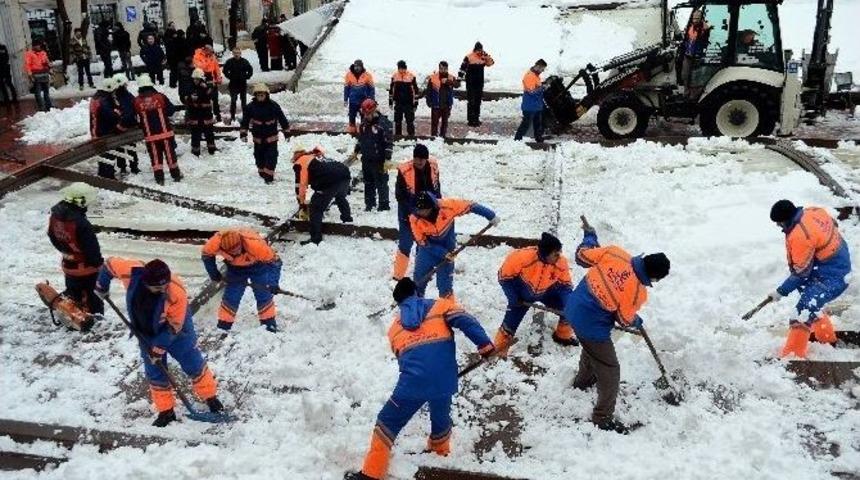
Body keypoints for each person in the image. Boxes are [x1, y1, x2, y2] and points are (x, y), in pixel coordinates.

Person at [347, 278, 495, 480]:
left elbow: (403, 359)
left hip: (413, 384)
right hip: (445, 378)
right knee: (440, 412)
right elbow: (466, 320)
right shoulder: (441, 306)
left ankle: (371, 474)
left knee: (387, 422)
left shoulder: (394, 329)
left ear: (399, 303)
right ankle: (439, 451)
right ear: (417, 292)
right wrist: (485, 346)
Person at [564, 222, 670, 434]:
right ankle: (602, 418)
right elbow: (623, 319)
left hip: (572, 310)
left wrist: (590, 238)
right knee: (610, 369)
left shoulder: (615, 252)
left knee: (592, 350)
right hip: (591, 326)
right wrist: (636, 320)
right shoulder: (637, 292)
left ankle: (582, 382)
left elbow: (582, 256)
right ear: (654, 278)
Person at [94, 257, 224, 427]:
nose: (163, 290)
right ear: (145, 282)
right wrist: (102, 285)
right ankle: (166, 411)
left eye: (165, 285)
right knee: (155, 371)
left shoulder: (176, 293)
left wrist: (158, 348)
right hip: (146, 330)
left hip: (178, 330)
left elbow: (174, 326)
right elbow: (109, 265)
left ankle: (210, 397)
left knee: (192, 361)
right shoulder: (131, 272)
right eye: (158, 288)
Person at [767, 200, 852, 358]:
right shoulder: (813, 211)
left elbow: (801, 273)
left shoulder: (800, 235)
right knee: (810, 298)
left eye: (779, 222)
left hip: (833, 275)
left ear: (785, 219)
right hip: (834, 262)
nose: (778, 226)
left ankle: (792, 356)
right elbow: (833, 224)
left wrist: (781, 291)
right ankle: (826, 338)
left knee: (804, 309)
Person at [494, 233, 578, 355]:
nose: (559, 256)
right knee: (509, 326)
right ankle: (499, 350)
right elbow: (504, 278)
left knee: (569, 309)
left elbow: (565, 286)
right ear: (546, 253)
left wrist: (569, 303)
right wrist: (513, 297)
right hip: (522, 295)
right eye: (556, 254)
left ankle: (562, 336)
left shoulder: (561, 262)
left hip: (547, 292)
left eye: (559, 252)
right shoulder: (521, 257)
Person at [410, 192, 498, 299]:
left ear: (431, 207)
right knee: (419, 280)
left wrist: (490, 215)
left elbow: (470, 206)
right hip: (428, 251)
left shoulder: (447, 207)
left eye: (423, 210)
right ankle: (415, 303)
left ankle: (447, 306)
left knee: (445, 285)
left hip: (448, 250)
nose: (421, 213)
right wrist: (442, 253)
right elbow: (422, 242)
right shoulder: (414, 218)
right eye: (418, 210)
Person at [201, 228, 282, 332]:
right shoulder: (214, 243)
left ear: (240, 242)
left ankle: (269, 324)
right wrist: (214, 274)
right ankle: (223, 326)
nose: (235, 252)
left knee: (263, 293)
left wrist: (273, 283)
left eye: (236, 249)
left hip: (258, 265)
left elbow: (275, 262)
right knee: (231, 296)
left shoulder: (256, 245)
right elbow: (206, 256)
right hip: (235, 269)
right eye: (231, 251)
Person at [47, 182, 104, 330]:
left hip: (68, 264)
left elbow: (52, 236)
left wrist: (66, 251)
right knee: (92, 296)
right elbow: (92, 249)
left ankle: (72, 316)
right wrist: (99, 264)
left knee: (74, 293)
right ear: (80, 202)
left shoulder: (55, 216)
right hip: (86, 268)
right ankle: (94, 323)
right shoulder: (81, 224)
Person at [392, 144, 439, 280]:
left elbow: (437, 188)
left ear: (426, 159)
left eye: (421, 159)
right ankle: (398, 275)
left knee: (423, 243)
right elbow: (400, 196)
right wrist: (415, 211)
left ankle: (421, 272)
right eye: (416, 159)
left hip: (427, 213)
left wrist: (436, 207)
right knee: (405, 243)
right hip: (407, 212)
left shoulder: (433, 167)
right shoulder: (404, 170)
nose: (418, 162)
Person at [292, 145, 353, 245]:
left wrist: (302, 203)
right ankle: (347, 220)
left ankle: (315, 239)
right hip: (344, 174)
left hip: (329, 180)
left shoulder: (300, 163)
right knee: (340, 197)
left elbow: (301, 185)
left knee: (315, 208)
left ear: (296, 157)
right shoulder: (314, 156)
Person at [133, 74, 181, 185]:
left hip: (150, 137)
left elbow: (134, 117)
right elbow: (171, 111)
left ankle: (159, 179)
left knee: (155, 158)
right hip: (165, 134)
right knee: (170, 155)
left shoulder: (137, 101)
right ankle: (176, 176)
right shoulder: (160, 97)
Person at [240, 83, 290, 183]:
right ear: (255, 96)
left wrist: (287, 132)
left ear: (266, 95)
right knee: (259, 157)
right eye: (258, 95)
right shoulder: (250, 107)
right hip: (258, 139)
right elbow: (245, 121)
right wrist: (243, 134)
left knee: (271, 157)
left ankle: (269, 176)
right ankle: (262, 172)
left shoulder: (273, 106)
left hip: (271, 138)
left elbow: (282, 119)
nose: (260, 97)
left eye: (262, 95)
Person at [354, 99, 392, 212]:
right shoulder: (363, 124)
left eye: (368, 114)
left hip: (379, 159)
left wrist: (387, 157)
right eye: (365, 114)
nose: (366, 116)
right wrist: (357, 148)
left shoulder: (383, 124)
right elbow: (361, 138)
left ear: (374, 111)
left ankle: (384, 204)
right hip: (366, 158)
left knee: (381, 182)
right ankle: (369, 203)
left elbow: (389, 142)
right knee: (368, 182)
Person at [183, 68, 217, 156]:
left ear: (201, 79)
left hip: (206, 115)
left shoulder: (207, 87)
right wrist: (191, 98)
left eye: (197, 79)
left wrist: (205, 89)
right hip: (195, 115)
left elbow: (211, 95)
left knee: (209, 134)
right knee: (195, 135)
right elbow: (185, 98)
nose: (195, 81)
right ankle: (196, 152)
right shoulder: (190, 87)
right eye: (194, 79)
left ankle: (212, 150)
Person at [459, 42, 494, 127]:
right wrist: (459, 77)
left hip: (479, 83)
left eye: (481, 50)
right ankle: (471, 120)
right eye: (478, 50)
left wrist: (486, 56)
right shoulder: (469, 57)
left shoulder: (483, 57)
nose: (480, 51)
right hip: (470, 83)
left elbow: (491, 63)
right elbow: (463, 68)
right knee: (471, 101)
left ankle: (476, 119)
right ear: (475, 49)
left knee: (478, 101)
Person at [112, 74, 141, 174]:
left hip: (118, 127)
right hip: (129, 126)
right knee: (131, 148)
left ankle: (123, 167)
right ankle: (134, 167)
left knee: (119, 147)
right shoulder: (127, 96)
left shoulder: (114, 97)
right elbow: (133, 109)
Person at [514, 59, 547, 143]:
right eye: (542, 69)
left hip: (536, 105)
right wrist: (542, 87)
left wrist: (543, 85)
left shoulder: (535, 75)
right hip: (530, 106)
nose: (542, 71)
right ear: (538, 66)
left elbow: (536, 86)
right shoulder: (529, 76)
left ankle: (538, 138)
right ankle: (517, 139)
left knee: (537, 124)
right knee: (526, 124)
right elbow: (531, 92)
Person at [680, 9, 711, 97]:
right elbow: (686, 39)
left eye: (697, 18)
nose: (695, 20)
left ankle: (694, 96)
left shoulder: (705, 28)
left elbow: (706, 39)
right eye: (694, 18)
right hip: (688, 55)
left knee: (696, 77)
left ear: (701, 19)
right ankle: (686, 92)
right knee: (685, 75)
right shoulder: (689, 27)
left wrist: (706, 29)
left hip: (698, 56)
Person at [425, 61, 460, 138]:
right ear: (439, 68)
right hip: (436, 104)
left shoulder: (451, 77)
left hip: (446, 105)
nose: (443, 70)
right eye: (441, 68)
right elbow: (428, 91)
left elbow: (457, 84)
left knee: (445, 122)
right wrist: (428, 101)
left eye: (445, 69)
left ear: (447, 69)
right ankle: (433, 137)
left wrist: (448, 81)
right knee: (434, 122)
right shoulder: (433, 78)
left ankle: (443, 136)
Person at [388, 60, 419, 136]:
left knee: (410, 121)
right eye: (400, 68)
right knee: (397, 121)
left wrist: (416, 103)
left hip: (409, 103)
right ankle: (398, 137)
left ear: (405, 68)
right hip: (398, 103)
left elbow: (416, 91)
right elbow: (391, 90)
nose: (401, 70)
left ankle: (411, 136)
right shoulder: (395, 76)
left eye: (403, 68)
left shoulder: (411, 76)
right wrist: (390, 102)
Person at [192, 44, 223, 122]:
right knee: (204, 99)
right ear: (205, 50)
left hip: (212, 80)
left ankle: (217, 115)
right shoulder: (197, 55)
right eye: (210, 52)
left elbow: (216, 67)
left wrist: (219, 78)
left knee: (215, 98)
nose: (212, 53)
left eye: (212, 52)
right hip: (202, 80)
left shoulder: (212, 56)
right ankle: (203, 117)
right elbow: (201, 67)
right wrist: (208, 60)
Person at [343, 59, 374, 133]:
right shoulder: (348, 75)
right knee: (352, 117)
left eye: (358, 66)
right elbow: (346, 88)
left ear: (362, 67)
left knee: (364, 117)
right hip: (353, 101)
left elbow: (372, 89)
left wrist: (371, 100)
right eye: (355, 66)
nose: (357, 68)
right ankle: (352, 132)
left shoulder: (367, 75)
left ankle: (364, 132)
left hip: (364, 102)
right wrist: (345, 99)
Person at [223, 48, 253, 123]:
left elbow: (250, 70)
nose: (236, 54)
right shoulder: (230, 61)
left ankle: (245, 117)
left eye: (238, 53)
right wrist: (230, 76)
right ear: (233, 54)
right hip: (233, 84)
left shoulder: (244, 61)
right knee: (233, 101)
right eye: (235, 53)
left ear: (240, 53)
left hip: (242, 84)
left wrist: (246, 76)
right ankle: (232, 117)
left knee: (244, 102)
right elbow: (225, 70)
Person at [24, 39, 52, 112]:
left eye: (39, 45)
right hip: (36, 76)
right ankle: (42, 107)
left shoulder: (43, 53)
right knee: (38, 93)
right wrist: (30, 75)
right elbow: (27, 65)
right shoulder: (29, 54)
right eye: (37, 45)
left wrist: (49, 66)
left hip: (44, 75)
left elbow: (47, 62)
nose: (39, 46)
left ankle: (49, 106)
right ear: (34, 46)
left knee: (46, 92)